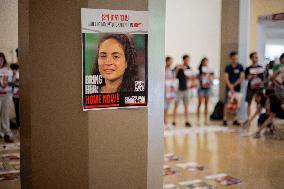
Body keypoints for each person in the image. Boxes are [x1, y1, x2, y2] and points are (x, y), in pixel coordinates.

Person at [223, 51, 244, 126]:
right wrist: (230, 86)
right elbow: (226, 78)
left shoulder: (240, 66)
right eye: (233, 58)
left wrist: (234, 85)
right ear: (231, 58)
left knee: (236, 103)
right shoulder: (228, 67)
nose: (235, 59)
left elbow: (241, 78)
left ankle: (235, 119)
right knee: (227, 102)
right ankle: (225, 119)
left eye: (236, 58)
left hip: (237, 88)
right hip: (229, 88)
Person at [172, 55, 193, 127]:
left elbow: (191, 77)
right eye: (186, 59)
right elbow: (174, 75)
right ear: (183, 60)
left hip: (186, 89)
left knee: (186, 105)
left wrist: (190, 77)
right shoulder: (178, 67)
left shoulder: (188, 68)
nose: (188, 61)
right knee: (176, 105)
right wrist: (178, 68)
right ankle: (174, 120)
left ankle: (187, 120)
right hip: (179, 89)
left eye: (188, 60)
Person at [245, 52, 264, 118]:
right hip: (250, 88)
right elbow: (246, 78)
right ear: (251, 58)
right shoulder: (248, 68)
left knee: (259, 103)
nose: (256, 58)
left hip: (259, 88)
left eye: (257, 57)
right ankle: (248, 118)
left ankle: (259, 118)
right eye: (254, 57)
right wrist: (250, 76)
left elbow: (263, 78)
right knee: (249, 103)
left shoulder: (261, 67)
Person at [0, 53, 14, 142]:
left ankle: (6, 132)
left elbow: (12, 84)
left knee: (5, 114)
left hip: (6, 95)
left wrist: (13, 77)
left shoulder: (8, 70)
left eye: (1, 60)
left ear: (4, 60)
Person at [196, 57, 213, 124]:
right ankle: (198, 119)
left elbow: (212, 78)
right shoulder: (199, 69)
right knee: (199, 103)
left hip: (207, 88)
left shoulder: (209, 70)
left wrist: (209, 76)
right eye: (204, 62)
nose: (205, 63)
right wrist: (202, 75)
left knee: (206, 104)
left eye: (206, 62)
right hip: (201, 88)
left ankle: (206, 119)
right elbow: (196, 77)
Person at [164, 56, 177, 129]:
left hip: (169, 91)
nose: (171, 62)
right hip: (164, 90)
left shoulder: (170, 70)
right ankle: (164, 122)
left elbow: (172, 78)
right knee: (164, 107)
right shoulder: (164, 69)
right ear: (167, 61)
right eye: (170, 61)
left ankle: (166, 122)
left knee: (167, 107)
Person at [10, 48, 20, 128]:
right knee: (18, 110)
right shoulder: (14, 67)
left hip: (25, 93)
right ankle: (19, 126)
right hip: (16, 93)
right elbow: (11, 83)